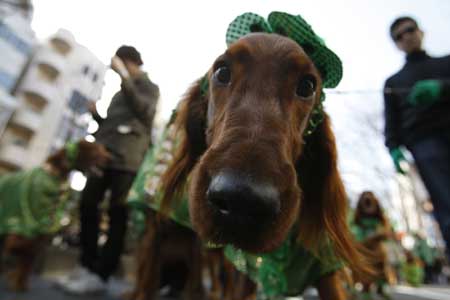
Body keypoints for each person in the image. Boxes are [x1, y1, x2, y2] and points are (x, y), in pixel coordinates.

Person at [59, 45, 160, 294]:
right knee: (87, 204)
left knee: (118, 215)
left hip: (127, 160)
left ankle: (102, 275)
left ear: (130, 61)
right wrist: (96, 116)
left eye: (121, 63)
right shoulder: (118, 93)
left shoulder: (149, 87)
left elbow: (145, 114)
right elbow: (111, 126)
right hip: (102, 155)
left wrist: (125, 78)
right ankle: (87, 264)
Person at [383, 16, 450, 260]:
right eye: (399, 36)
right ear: (396, 44)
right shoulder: (393, 82)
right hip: (424, 144)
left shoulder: (446, 63)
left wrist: (442, 87)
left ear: (420, 31)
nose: (406, 37)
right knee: (446, 204)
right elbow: (391, 123)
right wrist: (393, 149)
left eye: (409, 30)